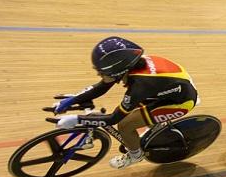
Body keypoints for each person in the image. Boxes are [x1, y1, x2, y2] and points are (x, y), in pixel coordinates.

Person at [54, 36, 198, 169]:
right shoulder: (130, 66)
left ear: (118, 71)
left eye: (102, 71)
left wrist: (78, 119)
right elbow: (102, 86)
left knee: (125, 125)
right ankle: (154, 129)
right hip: (169, 87)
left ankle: (136, 155)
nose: (99, 74)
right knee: (137, 114)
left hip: (180, 101)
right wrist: (72, 100)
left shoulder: (139, 86)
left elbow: (113, 119)